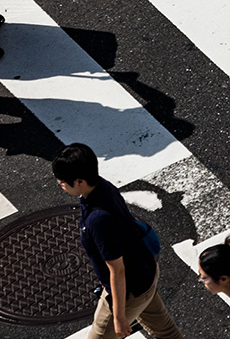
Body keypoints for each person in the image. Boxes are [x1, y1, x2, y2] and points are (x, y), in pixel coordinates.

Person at [52, 143, 183, 339]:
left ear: (79, 181)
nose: (60, 184)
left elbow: (117, 269)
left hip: (128, 292)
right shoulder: (104, 186)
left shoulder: (98, 220)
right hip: (145, 275)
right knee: (166, 332)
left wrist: (120, 316)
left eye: (62, 181)